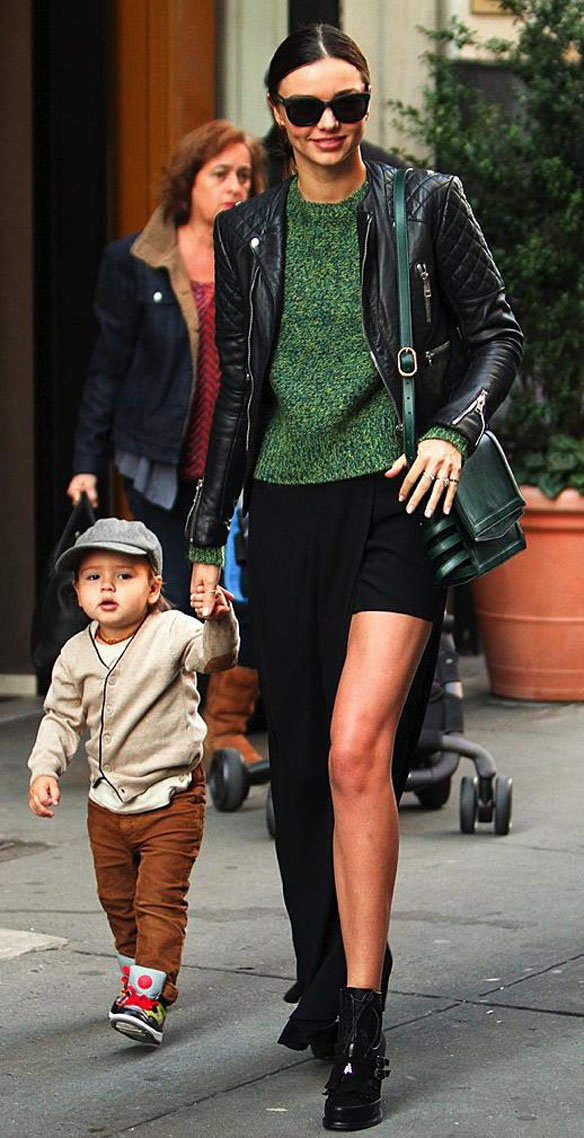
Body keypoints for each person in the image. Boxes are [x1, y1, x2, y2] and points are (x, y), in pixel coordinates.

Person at [188, 23, 523, 1131]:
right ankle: (324, 984)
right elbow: (238, 394)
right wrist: (205, 535)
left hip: (399, 500)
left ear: (365, 102)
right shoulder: (247, 231)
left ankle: (366, 1020)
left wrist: (451, 430)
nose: (329, 123)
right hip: (284, 512)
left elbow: (496, 333)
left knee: (351, 751)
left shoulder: (424, 203)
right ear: (277, 117)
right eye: (306, 107)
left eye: (347, 102)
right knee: (297, 775)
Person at [66, 118, 265, 763]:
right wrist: (86, 462)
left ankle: (225, 730)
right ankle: (164, 738)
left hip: (242, 461)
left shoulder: (263, 253)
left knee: (239, 590)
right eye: (220, 174)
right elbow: (107, 368)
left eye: (244, 176)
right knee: (172, 593)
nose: (235, 187)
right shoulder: (134, 261)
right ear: (189, 182)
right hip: (160, 460)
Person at [27, 518, 238, 1046]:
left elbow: (216, 656)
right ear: (77, 592)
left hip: (172, 796)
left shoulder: (172, 632)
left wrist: (219, 620)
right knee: (118, 900)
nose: (107, 586)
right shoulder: (75, 654)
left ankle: (148, 993)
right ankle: (137, 976)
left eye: (124, 576)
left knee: (159, 900)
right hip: (107, 803)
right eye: (93, 577)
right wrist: (45, 769)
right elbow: (60, 717)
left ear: (152, 587)